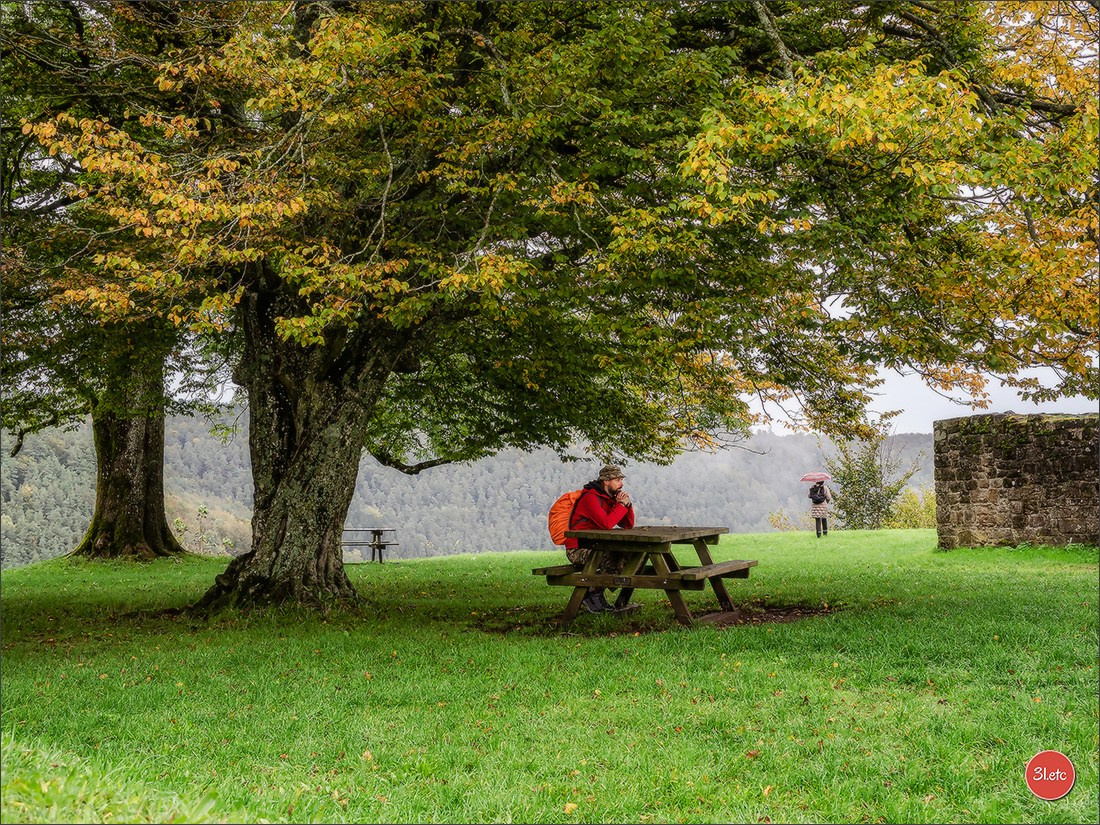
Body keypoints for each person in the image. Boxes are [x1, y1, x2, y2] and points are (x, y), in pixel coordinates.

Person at [564, 464, 637, 614]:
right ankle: (591, 594)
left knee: (632, 554)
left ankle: (596, 592)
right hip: (578, 549)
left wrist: (627, 505)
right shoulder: (590, 498)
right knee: (613, 556)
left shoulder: (608, 498)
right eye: (617, 480)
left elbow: (627, 524)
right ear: (606, 481)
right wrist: (621, 505)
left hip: (596, 546)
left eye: (621, 480)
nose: (621, 484)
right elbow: (607, 524)